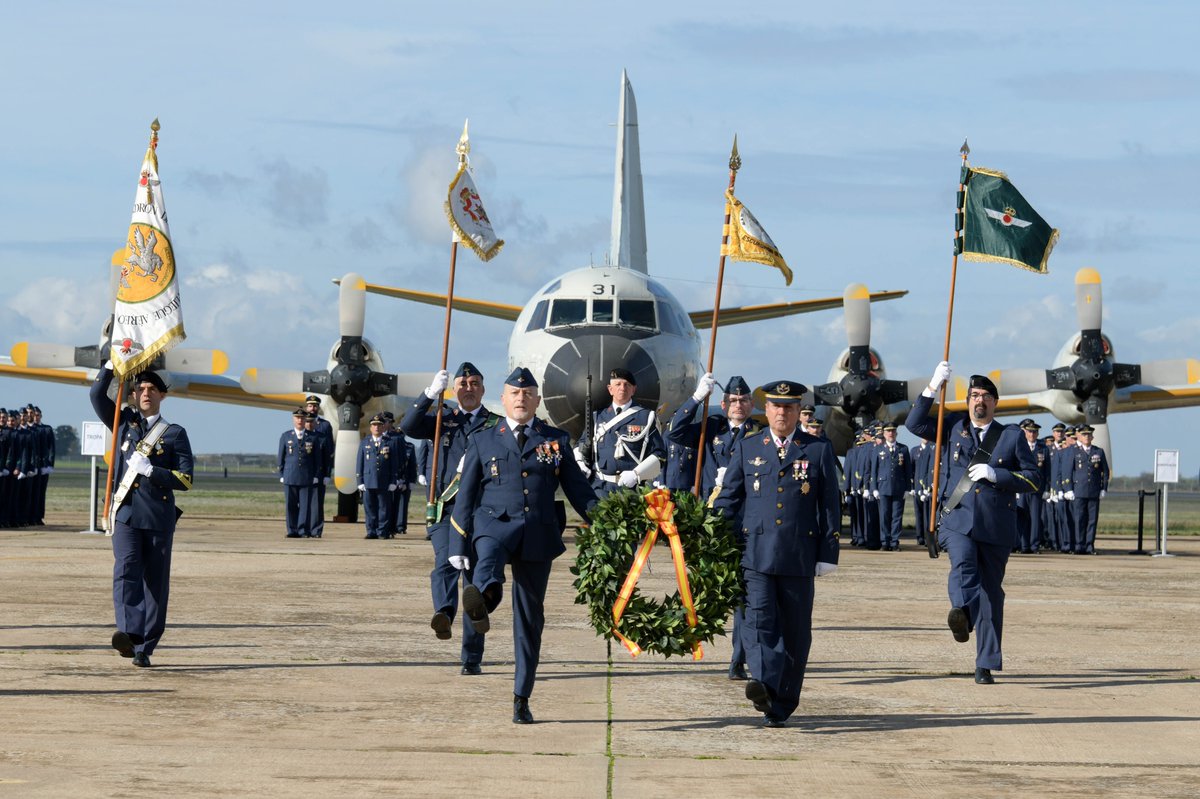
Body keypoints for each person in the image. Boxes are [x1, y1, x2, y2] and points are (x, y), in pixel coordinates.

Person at [450, 367, 598, 724]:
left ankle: (521, 696)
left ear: (537, 400)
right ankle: (484, 599)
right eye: (514, 394)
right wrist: (458, 542)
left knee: (530, 619)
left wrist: (610, 520)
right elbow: (465, 497)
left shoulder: (556, 440)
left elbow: (580, 492)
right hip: (493, 524)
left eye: (528, 394)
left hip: (538, 533)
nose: (521, 399)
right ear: (502, 399)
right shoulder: (484, 440)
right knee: (487, 562)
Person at [713, 380, 841, 727]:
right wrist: (708, 532)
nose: (781, 412)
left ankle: (782, 702)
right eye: (775, 406)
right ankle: (764, 683)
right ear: (765, 410)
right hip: (755, 553)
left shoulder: (816, 449)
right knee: (759, 623)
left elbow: (830, 504)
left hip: (799, 553)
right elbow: (729, 498)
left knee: (796, 633)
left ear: (799, 411)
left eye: (788, 407)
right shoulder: (748, 448)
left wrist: (829, 551)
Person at [905, 363, 1040, 685]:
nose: (979, 401)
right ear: (967, 401)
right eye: (974, 395)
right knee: (963, 566)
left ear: (995, 402)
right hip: (957, 517)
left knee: (992, 594)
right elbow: (913, 423)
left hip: (996, 524)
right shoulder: (950, 426)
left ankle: (986, 662)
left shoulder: (1011, 436)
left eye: (985, 397)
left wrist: (999, 475)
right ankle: (962, 614)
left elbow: (1034, 479)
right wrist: (932, 387)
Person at [90, 365, 194, 668]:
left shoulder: (175, 433)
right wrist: (111, 365)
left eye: (151, 390)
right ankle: (129, 631)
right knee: (125, 571)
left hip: (158, 518)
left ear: (162, 395)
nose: (145, 394)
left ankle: (146, 646)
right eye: (140, 390)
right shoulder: (123, 422)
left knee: (154, 584)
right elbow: (97, 394)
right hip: (126, 514)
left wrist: (153, 471)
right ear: (132, 394)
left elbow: (186, 479)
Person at [400, 361, 497, 674]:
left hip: (481, 512)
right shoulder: (442, 418)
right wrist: (429, 393)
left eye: (474, 384)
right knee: (445, 562)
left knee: (473, 584)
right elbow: (409, 427)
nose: (468, 389)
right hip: (446, 509)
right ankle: (443, 612)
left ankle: (471, 658)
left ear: (483, 389)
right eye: (463, 385)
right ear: (454, 389)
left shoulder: (495, 424)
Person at [667, 373, 764, 680]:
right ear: (723, 404)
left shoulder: (758, 433)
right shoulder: (712, 427)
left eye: (744, 400)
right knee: (707, 588)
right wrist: (696, 398)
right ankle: (691, 642)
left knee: (744, 594)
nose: (738, 405)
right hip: (712, 521)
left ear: (751, 404)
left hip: (747, 520)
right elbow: (675, 433)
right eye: (733, 401)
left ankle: (740, 658)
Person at [577, 367, 665, 496]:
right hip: (601, 489)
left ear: (633, 389)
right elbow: (581, 443)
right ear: (610, 389)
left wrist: (637, 474)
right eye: (617, 384)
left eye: (627, 385)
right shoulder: (597, 417)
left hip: (633, 490)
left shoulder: (647, 417)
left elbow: (660, 455)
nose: (622, 388)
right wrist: (580, 462)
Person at [278, 408, 325, 538]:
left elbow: (317, 460)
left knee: (305, 506)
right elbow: (281, 458)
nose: (300, 420)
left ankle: (302, 530)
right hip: (290, 476)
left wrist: (316, 476)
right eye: (297, 418)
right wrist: (281, 475)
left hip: (306, 477)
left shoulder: (313, 437)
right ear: (293, 419)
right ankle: (292, 530)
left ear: (305, 420)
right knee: (290, 505)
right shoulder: (286, 436)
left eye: (302, 418)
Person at [356, 413, 401, 540]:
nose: (376, 427)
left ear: (383, 428)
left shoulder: (390, 443)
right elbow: (360, 462)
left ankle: (382, 531)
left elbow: (394, 463)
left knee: (384, 508)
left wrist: (393, 480)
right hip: (368, 480)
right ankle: (371, 531)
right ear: (370, 428)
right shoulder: (365, 443)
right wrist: (360, 480)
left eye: (379, 425)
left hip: (384, 480)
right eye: (374, 425)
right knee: (369, 508)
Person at [869, 422, 912, 551]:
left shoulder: (903, 449)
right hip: (883, 487)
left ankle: (894, 542)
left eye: (893, 431)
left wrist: (908, 488)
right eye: (888, 431)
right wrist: (874, 488)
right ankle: (885, 541)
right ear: (884, 434)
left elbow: (908, 470)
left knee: (897, 516)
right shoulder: (878, 449)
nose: (890, 434)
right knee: (884, 516)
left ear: (896, 433)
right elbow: (874, 470)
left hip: (899, 487)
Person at [1067, 424, 1108, 555]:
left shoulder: (1098, 451)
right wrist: (1069, 489)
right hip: (1079, 490)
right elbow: (1068, 471)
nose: (1087, 437)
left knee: (1092, 520)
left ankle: (1089, 546)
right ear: (1080, 436)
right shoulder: (1074, 451)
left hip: (1094, 491)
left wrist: (1104, 488)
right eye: (1084, 435)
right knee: (1079, 519)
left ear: (1092, 437)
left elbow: (1105, 472)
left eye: (1089, 435)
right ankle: (1079, 545)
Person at [1014, 419, 1049, 554]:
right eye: (1030, 431)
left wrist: (1047, 489)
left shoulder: (1043, 448)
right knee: (1023, 516)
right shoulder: (1020, 446)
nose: (1032, 434)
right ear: (1025, 432)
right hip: (1022, 488)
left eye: (1035, 432)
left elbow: (1047, 471)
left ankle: (1034, 546)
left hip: (1037, 489)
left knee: (1035, 518)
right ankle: (1024, 546)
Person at [304, 395, 334, 538]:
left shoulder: (325, 425)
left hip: (319, 470)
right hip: (303, 470)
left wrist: (327, 473)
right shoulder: (301, 422)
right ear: (306, 407)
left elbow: (329, 451)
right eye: (310, 406)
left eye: (315, 406)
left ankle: (316, 530)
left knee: (316, 503)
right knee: (302, 502)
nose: (312, 408)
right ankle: (302, 529)